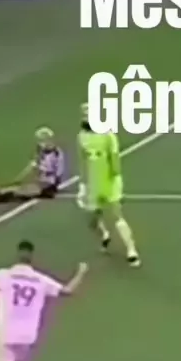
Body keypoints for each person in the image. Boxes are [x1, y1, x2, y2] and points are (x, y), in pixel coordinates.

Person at [77, 104, 140, 266]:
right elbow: (83, 161)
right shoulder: (82, 136)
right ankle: (105, 235)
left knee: (117, 215)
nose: (86, 116)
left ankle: (131, 250)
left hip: (109, 182)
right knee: (92, 220)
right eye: (84, 114)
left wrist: (116, 183)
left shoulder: (108, 135)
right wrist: (83, 185)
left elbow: (115, 161)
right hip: (93, 184)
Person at [0, 127, 64, 206]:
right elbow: (36, 163)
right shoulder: (42, 151)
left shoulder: (56, 154)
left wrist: (39, 169)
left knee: (16, 191)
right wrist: (35, 165)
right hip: (40, 183)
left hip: (47, 187)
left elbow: (57, 173)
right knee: (14, 188)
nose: (40, 144)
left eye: (42, 141)